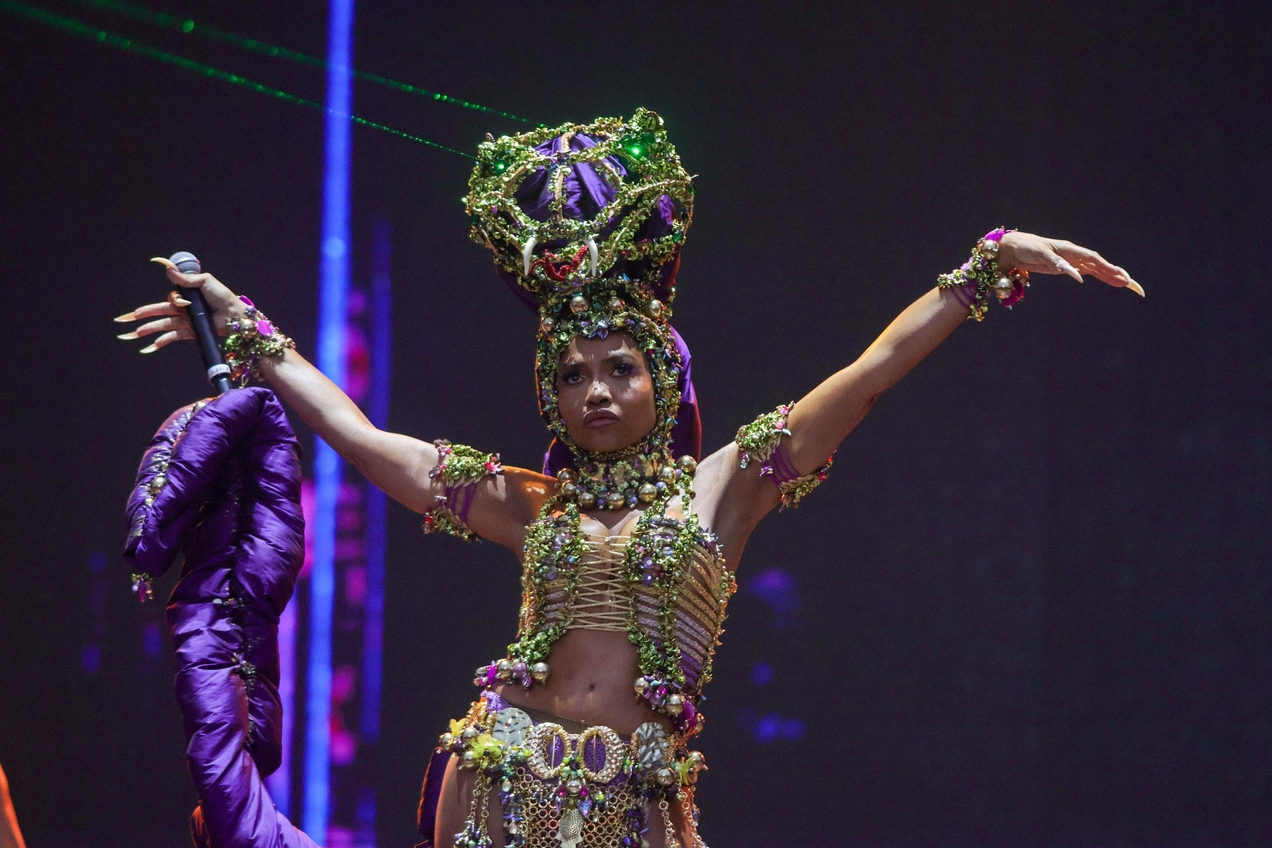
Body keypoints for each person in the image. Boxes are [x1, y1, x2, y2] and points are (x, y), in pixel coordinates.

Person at [117, 108, 1141, 848]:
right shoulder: (533, 502)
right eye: (571, 373)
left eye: (619, 368)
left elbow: (864, 378)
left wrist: (986, 267)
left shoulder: (726, 487)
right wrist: (241, 328)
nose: (595, 390)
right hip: (498, 782)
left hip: (637, 800)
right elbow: (356, 430)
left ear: (663, 376)